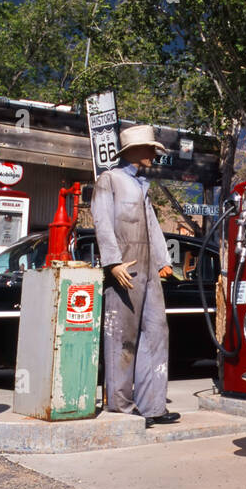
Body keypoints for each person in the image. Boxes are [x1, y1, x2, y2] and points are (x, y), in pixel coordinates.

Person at [91, 124, 179, 426]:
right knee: (122, 337)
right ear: (135, 151)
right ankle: (120, 405)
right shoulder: (109, 179)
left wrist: (161, 260)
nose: (155, 154)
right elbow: (101, 221)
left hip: (149, 269)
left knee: (156, 332)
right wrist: (112, 262)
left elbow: (152, 226)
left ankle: (153, 406)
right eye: (151, 149)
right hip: (124, 268)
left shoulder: (142, 186)